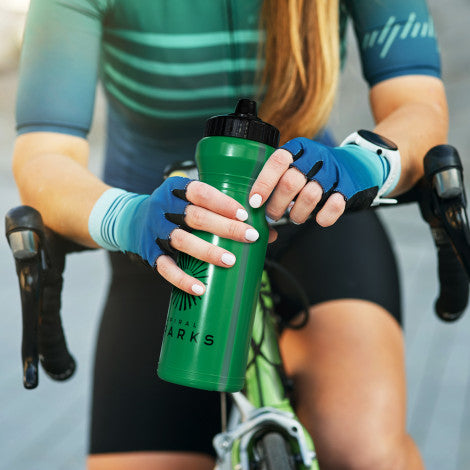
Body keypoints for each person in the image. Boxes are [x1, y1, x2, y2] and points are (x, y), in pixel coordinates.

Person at [12, 0, 447, 469]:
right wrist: (128, 217)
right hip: (162, 235)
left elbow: (417, 103)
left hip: (314, 210)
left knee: (364, 450)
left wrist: (363, 163)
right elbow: (43, 155)